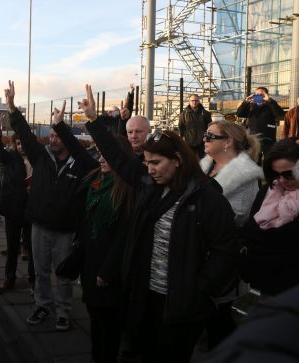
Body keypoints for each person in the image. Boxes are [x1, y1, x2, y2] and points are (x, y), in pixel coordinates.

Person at [81, 83, 240, 363]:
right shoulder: (148, 185)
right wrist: (94, 121)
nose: (149, 168)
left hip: (181, 305)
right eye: (146, 163)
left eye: (156, 163)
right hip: (145, 297)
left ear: (177, 160)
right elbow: (118, 158)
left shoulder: (206, 197)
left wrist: (199, 289)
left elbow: (225, 249)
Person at [5, 81, 99, 331]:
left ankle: (64, 311)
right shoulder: (41, 157)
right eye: (53, 135)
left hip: (66, 229)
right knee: (41, 270)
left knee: (64, 273)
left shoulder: (79, 164)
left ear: (67, 138)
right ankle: (42, 304)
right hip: (39, 225)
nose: (54, 139)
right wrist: (13, 108)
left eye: (58, 135)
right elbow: (24, 134)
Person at [54, 126, 134, 363]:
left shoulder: (127, 190)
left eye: (106, 155)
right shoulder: (96, 179)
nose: (100, 159)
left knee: (109, 328)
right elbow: (79, 152)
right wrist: (60, 125)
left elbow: (124, 236)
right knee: (95, 322)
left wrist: (107, 271)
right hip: (90, 261)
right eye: (99, 154)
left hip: (110, 271)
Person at [199, 120, 262, 348]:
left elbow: (234, 218)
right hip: (199, 251)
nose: (204, 138)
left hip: (220, 258)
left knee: (219, 319)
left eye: (210, 135)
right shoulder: (206, 166)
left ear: (228, 142)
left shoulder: (244, 178)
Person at [240, 137, 299, 297]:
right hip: (268, 282)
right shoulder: (269, 190)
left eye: (289, 174)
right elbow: (250, 230)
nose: (282, 180)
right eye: (276, 174)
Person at [0, 114, 35, 295]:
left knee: (33, 249)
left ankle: (33, 281)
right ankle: (9, 279)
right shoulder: (11, 158)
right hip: (13, 210)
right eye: (18, 144)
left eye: (23, 142)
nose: (21, 146)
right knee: (12, 246)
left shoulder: (38, 159)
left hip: (32, 210)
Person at [236, 86, 285, 156]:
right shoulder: (250, 105)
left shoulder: (271, 105)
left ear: (266, 95)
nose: (259, 96)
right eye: (257, 95)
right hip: (253, 137)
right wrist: (246, 102)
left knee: (269, 158)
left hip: (268, 137)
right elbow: (239, 114)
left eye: (261, 95)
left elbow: (281, 115)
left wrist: (269, 100)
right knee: (254, 159)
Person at [179, 94, 212, 159]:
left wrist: (208, 139)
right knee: (190, 162)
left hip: (202, 143)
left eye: (196, 100)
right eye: (192, 100)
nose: (194, 102)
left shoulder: (205, 113)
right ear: (189, 101)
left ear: (199, 101)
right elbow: (181, 127)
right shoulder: (184, 114)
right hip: (189, 143)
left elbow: (210, 127)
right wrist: (182, 139)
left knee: (204, 163)